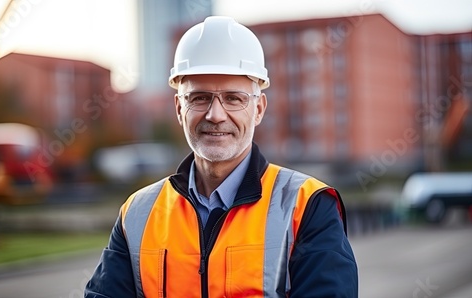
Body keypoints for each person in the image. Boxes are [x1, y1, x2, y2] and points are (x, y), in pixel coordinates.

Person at [85, 16, 358, 297]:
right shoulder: (138, 213)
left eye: (233, 98)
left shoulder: (307, 206)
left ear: (259, 109)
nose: (215, 115)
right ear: (180, 108)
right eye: (199, 97)